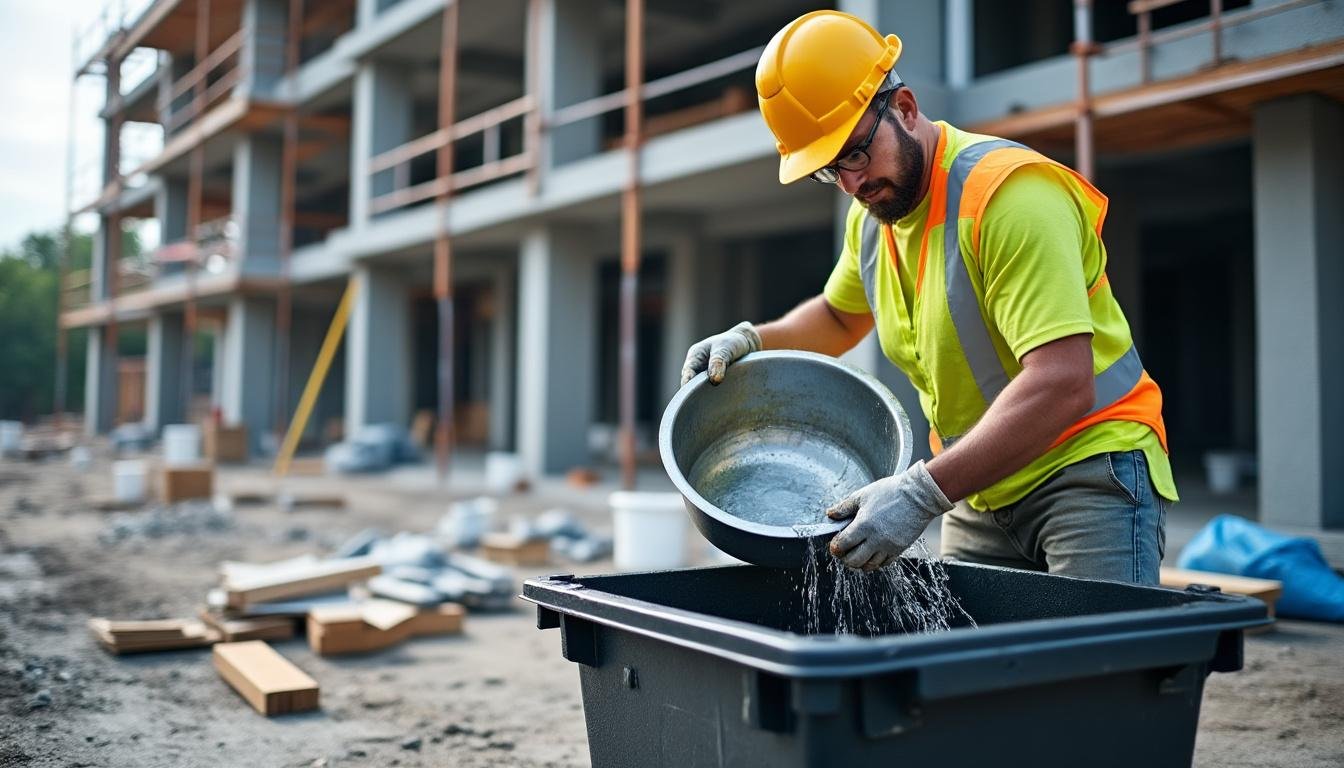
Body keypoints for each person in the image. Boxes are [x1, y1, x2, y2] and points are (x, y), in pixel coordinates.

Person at [680, 10, 1176, 585]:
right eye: (830, 170)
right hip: (980, 486)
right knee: (965, 646)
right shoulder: (874, 220)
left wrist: (920, 493)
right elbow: (838, 318)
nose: (852, 183)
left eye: (855, 152)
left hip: (1086, 469)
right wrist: (750, 340)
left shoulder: (1010, 198)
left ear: (906, 109)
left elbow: (1062, 382)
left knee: (1093, 644)